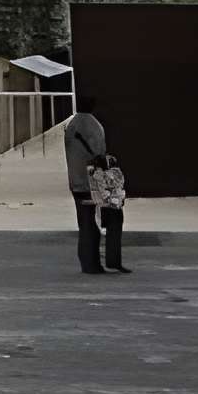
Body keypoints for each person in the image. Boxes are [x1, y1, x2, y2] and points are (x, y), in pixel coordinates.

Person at [60, 104, 117, 275]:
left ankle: (86, 260)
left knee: (84, 220)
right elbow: (100, 154)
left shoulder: (71, 125)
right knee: (91, 222)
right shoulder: (95, 126)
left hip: (75, 181)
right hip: (91, 182)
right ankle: (91, 262)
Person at [89, 149, 131, 274]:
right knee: (111, 235)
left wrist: (119, 198)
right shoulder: (101, 175)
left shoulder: (107, 174)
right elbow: (105, 191)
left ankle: (112, 261)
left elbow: (117, 187)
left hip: (112, 206)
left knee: (113, 236)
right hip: (109, 207)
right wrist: (114, 199)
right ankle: (111, 262)